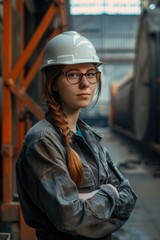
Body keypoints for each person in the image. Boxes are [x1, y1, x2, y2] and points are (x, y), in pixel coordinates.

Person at [16, 31, 137, 240]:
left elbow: (129, 195)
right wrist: (110, 193)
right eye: (73, 74)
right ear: (53, 82)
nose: (85, 84)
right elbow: (71, 218)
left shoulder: (89, 136)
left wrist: (93, 202)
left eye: (90, 74)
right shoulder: (43, 141)